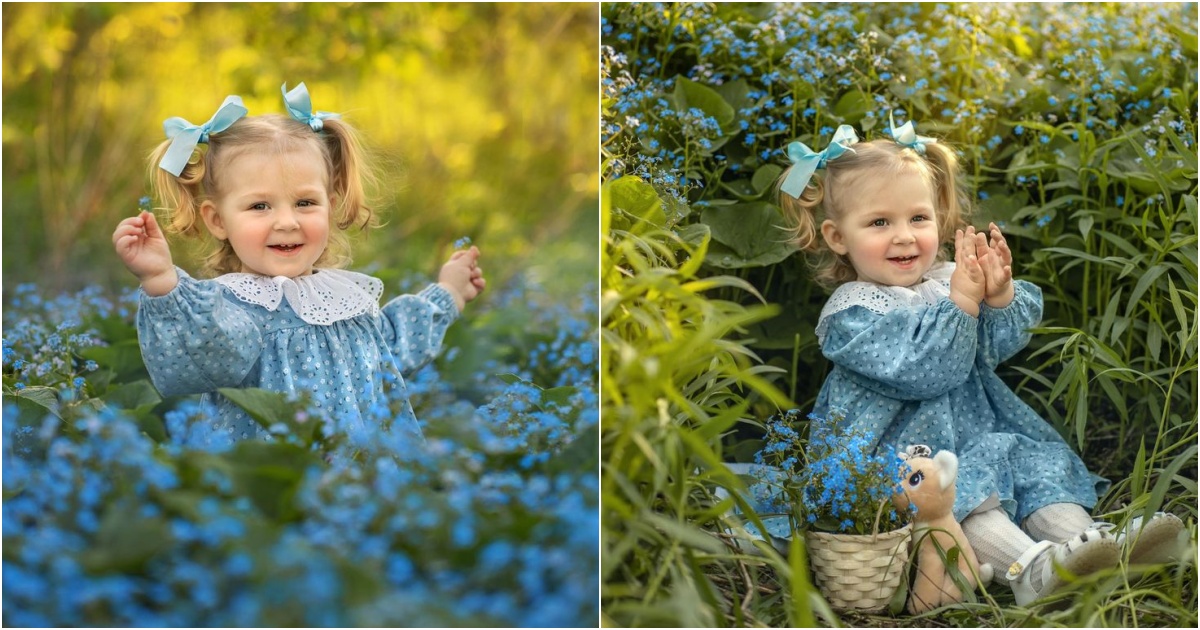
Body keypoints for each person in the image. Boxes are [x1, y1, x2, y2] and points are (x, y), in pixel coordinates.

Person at [775, 118, 1183, 606]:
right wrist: (964, 304)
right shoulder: (855, 311)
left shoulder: (948, 278)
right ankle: (1029, 567)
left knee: (1035, 469)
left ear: (938, 220)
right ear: (837, 236)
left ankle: (1091, 545)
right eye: (879, 222)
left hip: (979, 430)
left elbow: (996, 348)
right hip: (905, 458)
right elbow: (928, 371)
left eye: (918, 219)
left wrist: (998, 292)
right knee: (959, 495)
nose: (904, 237)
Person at [112, 83, 486, 442]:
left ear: (331, 204)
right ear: (218, 220)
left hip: (362, 480)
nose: (287, 222)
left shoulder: (345, 298)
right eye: (260, 206)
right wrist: (161, 278)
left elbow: (394, 343)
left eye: (305, 203)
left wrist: (449, 291)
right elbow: (204, 361)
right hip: (276, 481)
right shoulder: (228, 307)